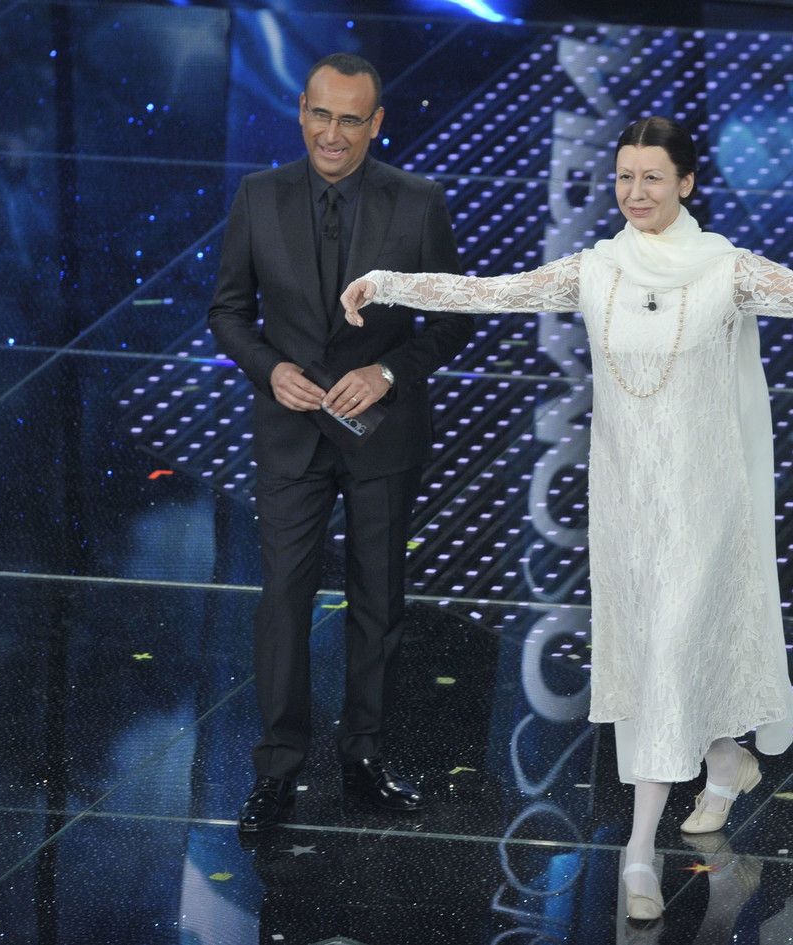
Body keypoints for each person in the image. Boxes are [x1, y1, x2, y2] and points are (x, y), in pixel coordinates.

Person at [340, 116, 793, 917]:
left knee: (666, 658)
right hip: (627, 507)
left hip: (705, 504)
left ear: (686, 183)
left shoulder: (726, 271)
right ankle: (725, 760)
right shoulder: (595, 270)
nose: (635, 192)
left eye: (652, 177)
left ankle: (637, 852)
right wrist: (385, 282)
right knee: (659, 658)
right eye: (624, 176)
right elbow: (490, 291)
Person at [208, 52, 474, 833]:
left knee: (377, 601)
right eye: (320, 115)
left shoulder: (417, 203)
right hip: (290, 430)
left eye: (350, 119)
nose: (332, 133)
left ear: (376, 122)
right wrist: (270, 369)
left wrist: (388, 371)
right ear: (301, 111)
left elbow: (453, 319)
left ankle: (363, 759)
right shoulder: (258, 196)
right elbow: (227, 311)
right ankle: (277, 768)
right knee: (283, 599)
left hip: (380, 435)